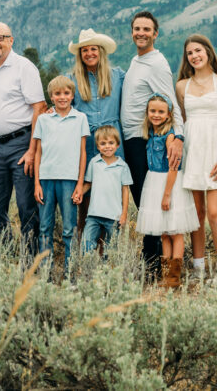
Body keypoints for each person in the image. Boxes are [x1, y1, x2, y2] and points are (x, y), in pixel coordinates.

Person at [120, 11, 184, 276]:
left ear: (155, 34)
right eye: (137, 29)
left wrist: (178, 136)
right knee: (144, 202)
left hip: (142, 139)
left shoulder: (157, 63)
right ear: (132, 32)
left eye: (147, 29)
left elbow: (170, 101)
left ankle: (155, 264)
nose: (141, 33)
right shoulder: (137, 60)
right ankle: (155, 262)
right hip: (130, 139)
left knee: (148, 203)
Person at [175, 34, 217, 283]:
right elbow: (182, 121)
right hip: (193, 154)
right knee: (196, 215)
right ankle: (199, 268)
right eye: (190, 52)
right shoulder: (182, 86)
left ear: (208, 52)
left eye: (198, 50)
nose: (194, 55)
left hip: (216, 154)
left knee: (215, 213)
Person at [0, 22, 47, 258]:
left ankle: (31, 261)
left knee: (27, 206)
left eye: (0, 37)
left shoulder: (24, 67)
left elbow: (39, 108)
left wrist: (32, 151)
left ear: (11, 40)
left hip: (22, 143)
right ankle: (6, 256)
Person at [135, 94, 199, 289]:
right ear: (147, 113)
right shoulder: (151, 133)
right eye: (152, 111)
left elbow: (173, 167)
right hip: (154, 181)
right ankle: (166, 274)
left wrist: (167, 194)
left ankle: (175, 275)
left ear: (168, 115)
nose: (156, 115)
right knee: (164, 232)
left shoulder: (169, 136)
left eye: (160, 111)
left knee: (175, 231)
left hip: (168, 184)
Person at [67, 29, 126, 236]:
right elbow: (64, 106)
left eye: (93, 49)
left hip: (112, 140)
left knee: (112, 190)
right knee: (86, 190)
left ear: (100, 52)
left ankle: (112, 245)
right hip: (87, 142)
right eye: (84, 50)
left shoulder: (117, 75)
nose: (89, 53)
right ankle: (86, 244)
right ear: (80, 54)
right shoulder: (72, 79)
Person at [32, 75, 90, 277]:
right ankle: (45, 272)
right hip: (46, 180)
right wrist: (37, 183)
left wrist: (80, 184)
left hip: (69, 180)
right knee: (45, 228)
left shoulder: (80, 118)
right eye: (57, 94)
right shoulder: (43, 119)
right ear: (52, 97)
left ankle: (70, 272)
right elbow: (38, 152)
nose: (62, 97)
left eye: (66, 93)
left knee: (69, 229)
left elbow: (83, 153)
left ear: (72, 95)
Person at [78, 125, 133, 254]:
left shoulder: (122, 166)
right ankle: (88, 269)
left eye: (111, 143)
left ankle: (108, 271)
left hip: (114, 215)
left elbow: (125, 190)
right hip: (94, 214)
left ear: (117, 145)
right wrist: (79, 193)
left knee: (111, 248)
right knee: (87, 243)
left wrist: (124, 213)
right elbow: (88, 183)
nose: (107, 146)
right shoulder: (94, 162)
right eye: (103, 143)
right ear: (98, 146)